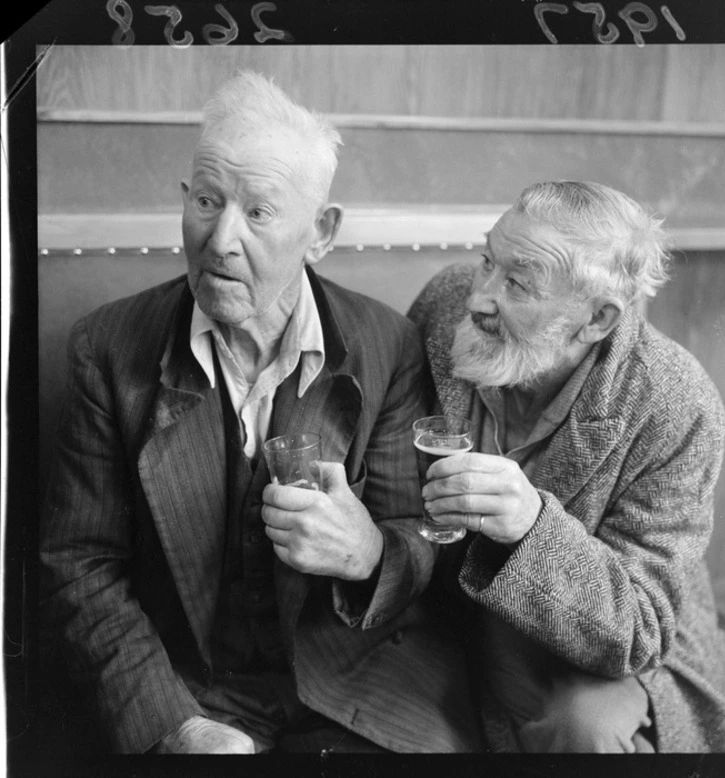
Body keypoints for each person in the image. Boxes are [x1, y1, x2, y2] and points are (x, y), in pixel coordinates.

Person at [39, 70, 481, 755]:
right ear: (185, 200)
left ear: (322, 232)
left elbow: (417, 536)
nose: (219, 240)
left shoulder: (384, 344)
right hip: (183, 684)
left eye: (260, 212)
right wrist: (175, 726)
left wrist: (369, 553)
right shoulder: (108, 347)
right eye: (208, 201)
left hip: (350, 685)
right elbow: (79, 566)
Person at [407, 181, 725, 753]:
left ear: (597, 319)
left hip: (596, 641)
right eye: (488, 261)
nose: (478, 298)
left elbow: (641, 630)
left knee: (584, 730)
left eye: (517, 283)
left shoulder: (675, 402)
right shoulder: (444, 304)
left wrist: (532, 526)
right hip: (452, 608)